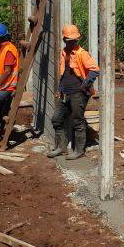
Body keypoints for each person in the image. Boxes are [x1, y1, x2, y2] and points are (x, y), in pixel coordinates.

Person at [47, 24, 99, 160]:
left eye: (74, 40)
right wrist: (60, 89)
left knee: (77, 121)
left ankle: (79, 150)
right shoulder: (64, 52)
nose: (72, 42)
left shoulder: (82, 53)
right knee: (57, 119)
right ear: (65, 40)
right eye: (69, 40)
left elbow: (95, 70)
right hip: (65, 93)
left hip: (78, 93)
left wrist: (84, 86)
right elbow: (63, 73)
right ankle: (61, 147)